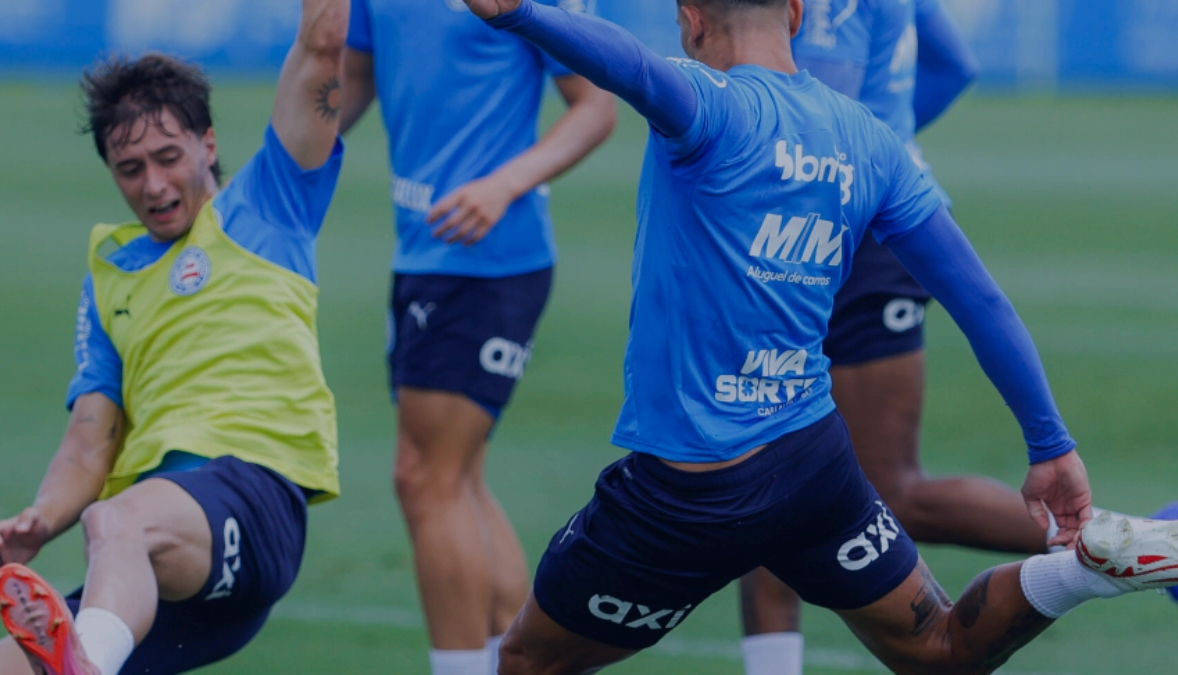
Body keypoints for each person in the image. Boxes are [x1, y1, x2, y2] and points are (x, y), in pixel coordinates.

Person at [458, 1, 1178, 673]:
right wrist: (1050, 442)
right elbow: (978, 297)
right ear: (798, 13)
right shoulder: (872, 141)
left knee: (525, 659)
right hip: (813, 469)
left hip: (688, 489)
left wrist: (520, 11)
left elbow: (630, 67)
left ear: (689, 20)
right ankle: (1087, 568)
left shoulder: (709, 105)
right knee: (940, 646)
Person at [0, 0, 348, 672]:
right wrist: (41, 517)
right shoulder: (109, 272)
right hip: (158, 565)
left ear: (207, 142)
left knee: (113, 520)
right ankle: (86, 658)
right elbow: (90, 441)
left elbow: (322, 48)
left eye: (167, 157)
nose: (152, 184)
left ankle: (83, 662)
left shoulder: (270, 204)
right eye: (128, 168)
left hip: (250, 502)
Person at [734, 3, 1037, 673]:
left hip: (834, 229)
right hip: (866, 219)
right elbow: (955, 64)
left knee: (883, 485)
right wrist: (883, 144)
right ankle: (1122, 541)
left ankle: (1123, 541)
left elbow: (822, 84)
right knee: (763, 458)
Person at [339, 2, 616, 673]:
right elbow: (353, 79)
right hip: (423, 255)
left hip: (493, 257)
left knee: (425, 477)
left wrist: (503, 184)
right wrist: (278, 166)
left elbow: (595, 104)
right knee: (454, 476)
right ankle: (512, 658)